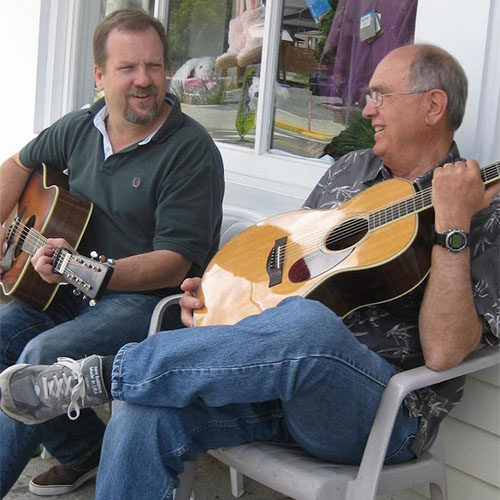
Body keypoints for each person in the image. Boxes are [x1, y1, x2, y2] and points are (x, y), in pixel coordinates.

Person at [1, 44, 499, 500]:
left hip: (376, 412)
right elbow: (287, 266)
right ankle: (122, 381)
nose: (365, 109)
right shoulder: (349, 170)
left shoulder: (483, 212)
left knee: (308, 325)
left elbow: (445, 350)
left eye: (380, 96)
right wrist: (227, 297)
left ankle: (106, 375)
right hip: (271, 383)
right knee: (145, 410)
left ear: (433, 106)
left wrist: (452, 228)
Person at [0, 9, 224, 498]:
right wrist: (6, 228)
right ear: (99, 76)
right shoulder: (81, 127)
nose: (144, 80)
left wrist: (78, 268)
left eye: (155, 66)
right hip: (71, 291)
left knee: (41, 358)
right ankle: (83, 452)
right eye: (128, 68)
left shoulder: (190, 151)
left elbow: (173, 262)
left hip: (148, 305)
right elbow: (18, 163)